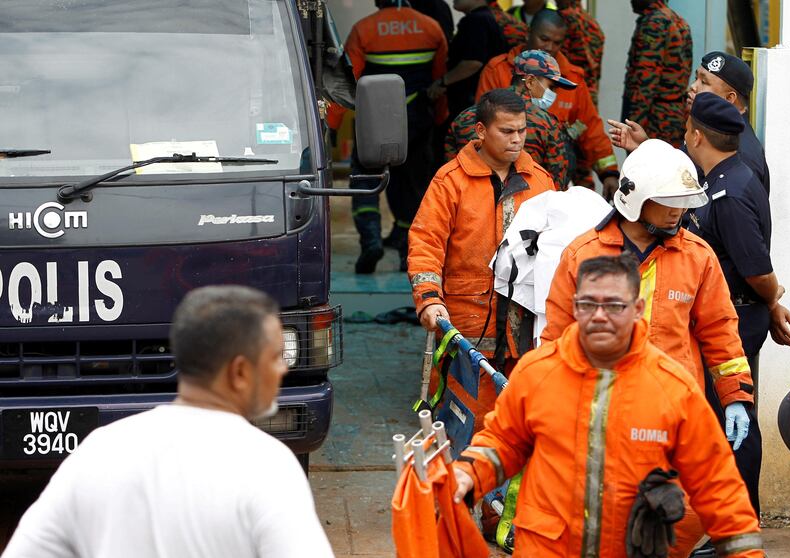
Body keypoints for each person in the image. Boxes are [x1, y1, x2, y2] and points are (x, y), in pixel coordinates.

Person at [452, 254, 764, 557]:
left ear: (638, 308)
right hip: (546, 548)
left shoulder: (672, 388)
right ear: (575, 307)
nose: (599, 315)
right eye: (588, 304)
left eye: (614, 305)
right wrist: (467, 475)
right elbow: (502, 443)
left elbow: (717, 484)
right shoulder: (537, 374)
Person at [2, 286, 334, 558]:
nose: (282, 370)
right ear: (240, 372)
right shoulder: (266, 465)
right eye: (275, 357)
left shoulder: (99, 450)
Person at [542, 139, 757, 551]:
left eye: (685, 199)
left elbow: (720, 332)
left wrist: (735, 397)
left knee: (685, 514)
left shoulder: (697, 257)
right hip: (599, 413)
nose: (680, 210)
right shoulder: (582, 256)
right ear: (636, 200)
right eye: (670, 200)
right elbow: (555, 339)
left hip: (672, 413)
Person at [408, 88, 556, 431]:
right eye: (506, 131)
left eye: (521, 130)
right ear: (480, 131)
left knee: (521, 428)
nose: (517, 139)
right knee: (464, 427)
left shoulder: (541, 182)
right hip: (467, 327)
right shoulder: (450, 182)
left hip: (524, 331)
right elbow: (425, 242)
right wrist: (429, 299)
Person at [683, 92, 790, 516]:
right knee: (726, 417)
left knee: (734, 420)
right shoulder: (729, 176)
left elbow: (757, 270)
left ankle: (738, 519)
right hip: (733, 313)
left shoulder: (727, 194)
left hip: (733, 319)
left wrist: (772, 302)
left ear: (696, 136)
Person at [344, 0, 448, 273]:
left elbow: (347, 79)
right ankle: (408, 254)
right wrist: (439, 119)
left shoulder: (364, 29)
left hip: (375, 120)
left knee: (365, 178)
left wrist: (330, 124)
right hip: (417, 119)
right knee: (413, 187)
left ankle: (370, 242)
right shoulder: (431, 27)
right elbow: (440, 78)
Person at [476, 10, 619, 198]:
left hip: (553, 183)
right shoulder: (498, 70)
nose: (549, 47)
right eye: (544, 39)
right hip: (503, 175)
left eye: (557, 42)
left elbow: (590, 128)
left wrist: (608, 173)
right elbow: (481, 125)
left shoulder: (572, 78)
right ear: (528, 33)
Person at [611, 51, 771, 196]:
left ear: (729, 98)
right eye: (696, 78)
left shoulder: (742, 152)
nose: (693, 87)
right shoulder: (708, 129)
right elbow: (682, 172)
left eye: (704, 82)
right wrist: (645, 147)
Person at [444, 50, 574, 190]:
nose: (554, 94)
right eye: (551, 87)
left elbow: (450, 173)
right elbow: (555, 186)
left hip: (470, 203)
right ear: (529, 82)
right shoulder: (548, 124)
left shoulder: (465, 117)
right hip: (525, 206)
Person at [621, 0, 693, 148]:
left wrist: (633, 123)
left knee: (647, 167)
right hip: (675, 115)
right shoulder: (679, 21)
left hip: (654, 118)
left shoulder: (654, 23)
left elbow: (646, 79)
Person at [428, 0, 507, 122]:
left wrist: (443, 82)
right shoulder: (486, 18)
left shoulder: (476, 20)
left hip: (471, 102)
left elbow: (473, 62)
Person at [556, 0, 605, 106]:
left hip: (566, 93)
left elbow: (556, 59)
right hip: (589, 93)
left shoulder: (564, 19)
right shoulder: (592, 22)